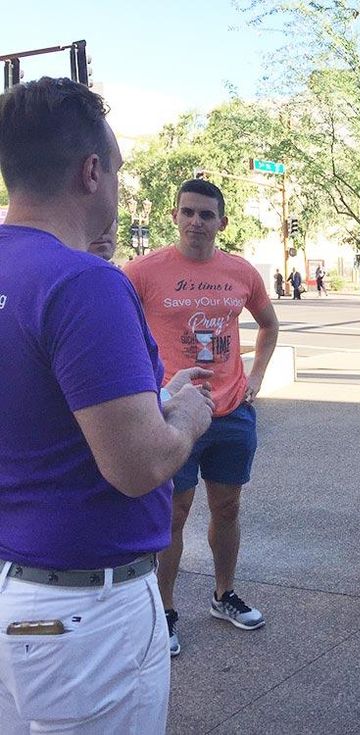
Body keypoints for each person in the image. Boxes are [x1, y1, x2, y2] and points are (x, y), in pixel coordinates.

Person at [0, 77, 213, 733]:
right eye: (116, 171)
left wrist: (152, 404)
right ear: (91, 172)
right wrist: (187, 417)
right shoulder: (83, 281)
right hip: (84, 614)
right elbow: (138, 466)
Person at [124, 178, 280, 656]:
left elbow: (268, 324)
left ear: (221, 222)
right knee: (174, 514)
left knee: (227, 508)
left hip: (231, 412)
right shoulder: (141, 272)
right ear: (174, 216)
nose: (196, 221)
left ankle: (223, 594)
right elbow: (120, 334)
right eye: (188, 212)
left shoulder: (240, 271)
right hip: (173, 415)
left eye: (206, 214)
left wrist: (256, 376)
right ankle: (165, 611)